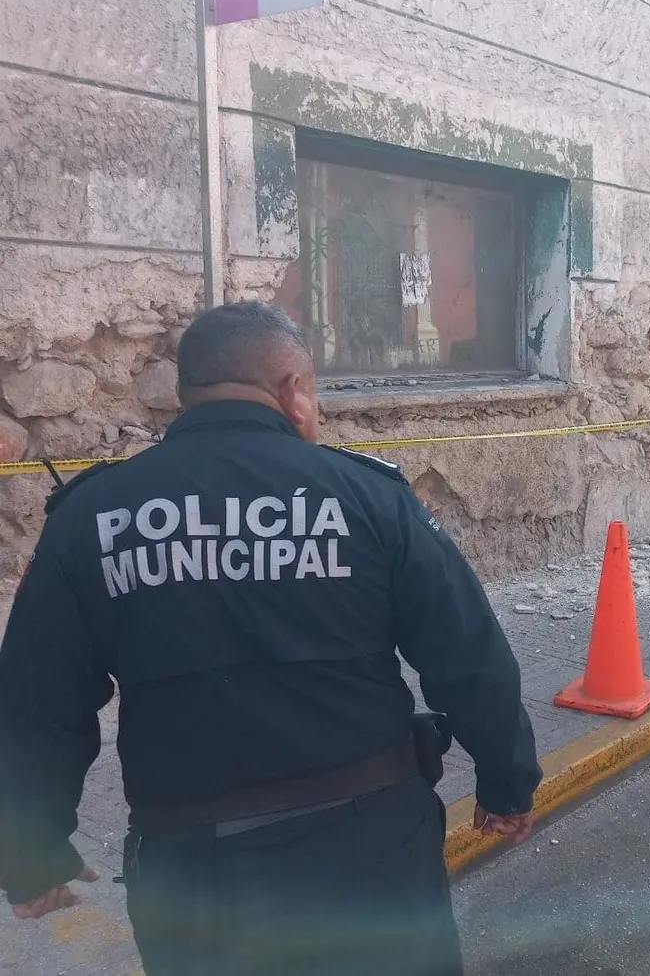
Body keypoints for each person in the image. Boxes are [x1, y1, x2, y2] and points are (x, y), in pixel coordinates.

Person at [0, 301, 542, 975]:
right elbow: (468, 654)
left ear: (185, 395)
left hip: (194, 878)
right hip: (370, 857)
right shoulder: (366, 497)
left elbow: (34, 701)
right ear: (293, 390)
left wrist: (31, 852)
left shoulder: (93, 515)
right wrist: (506, 782)